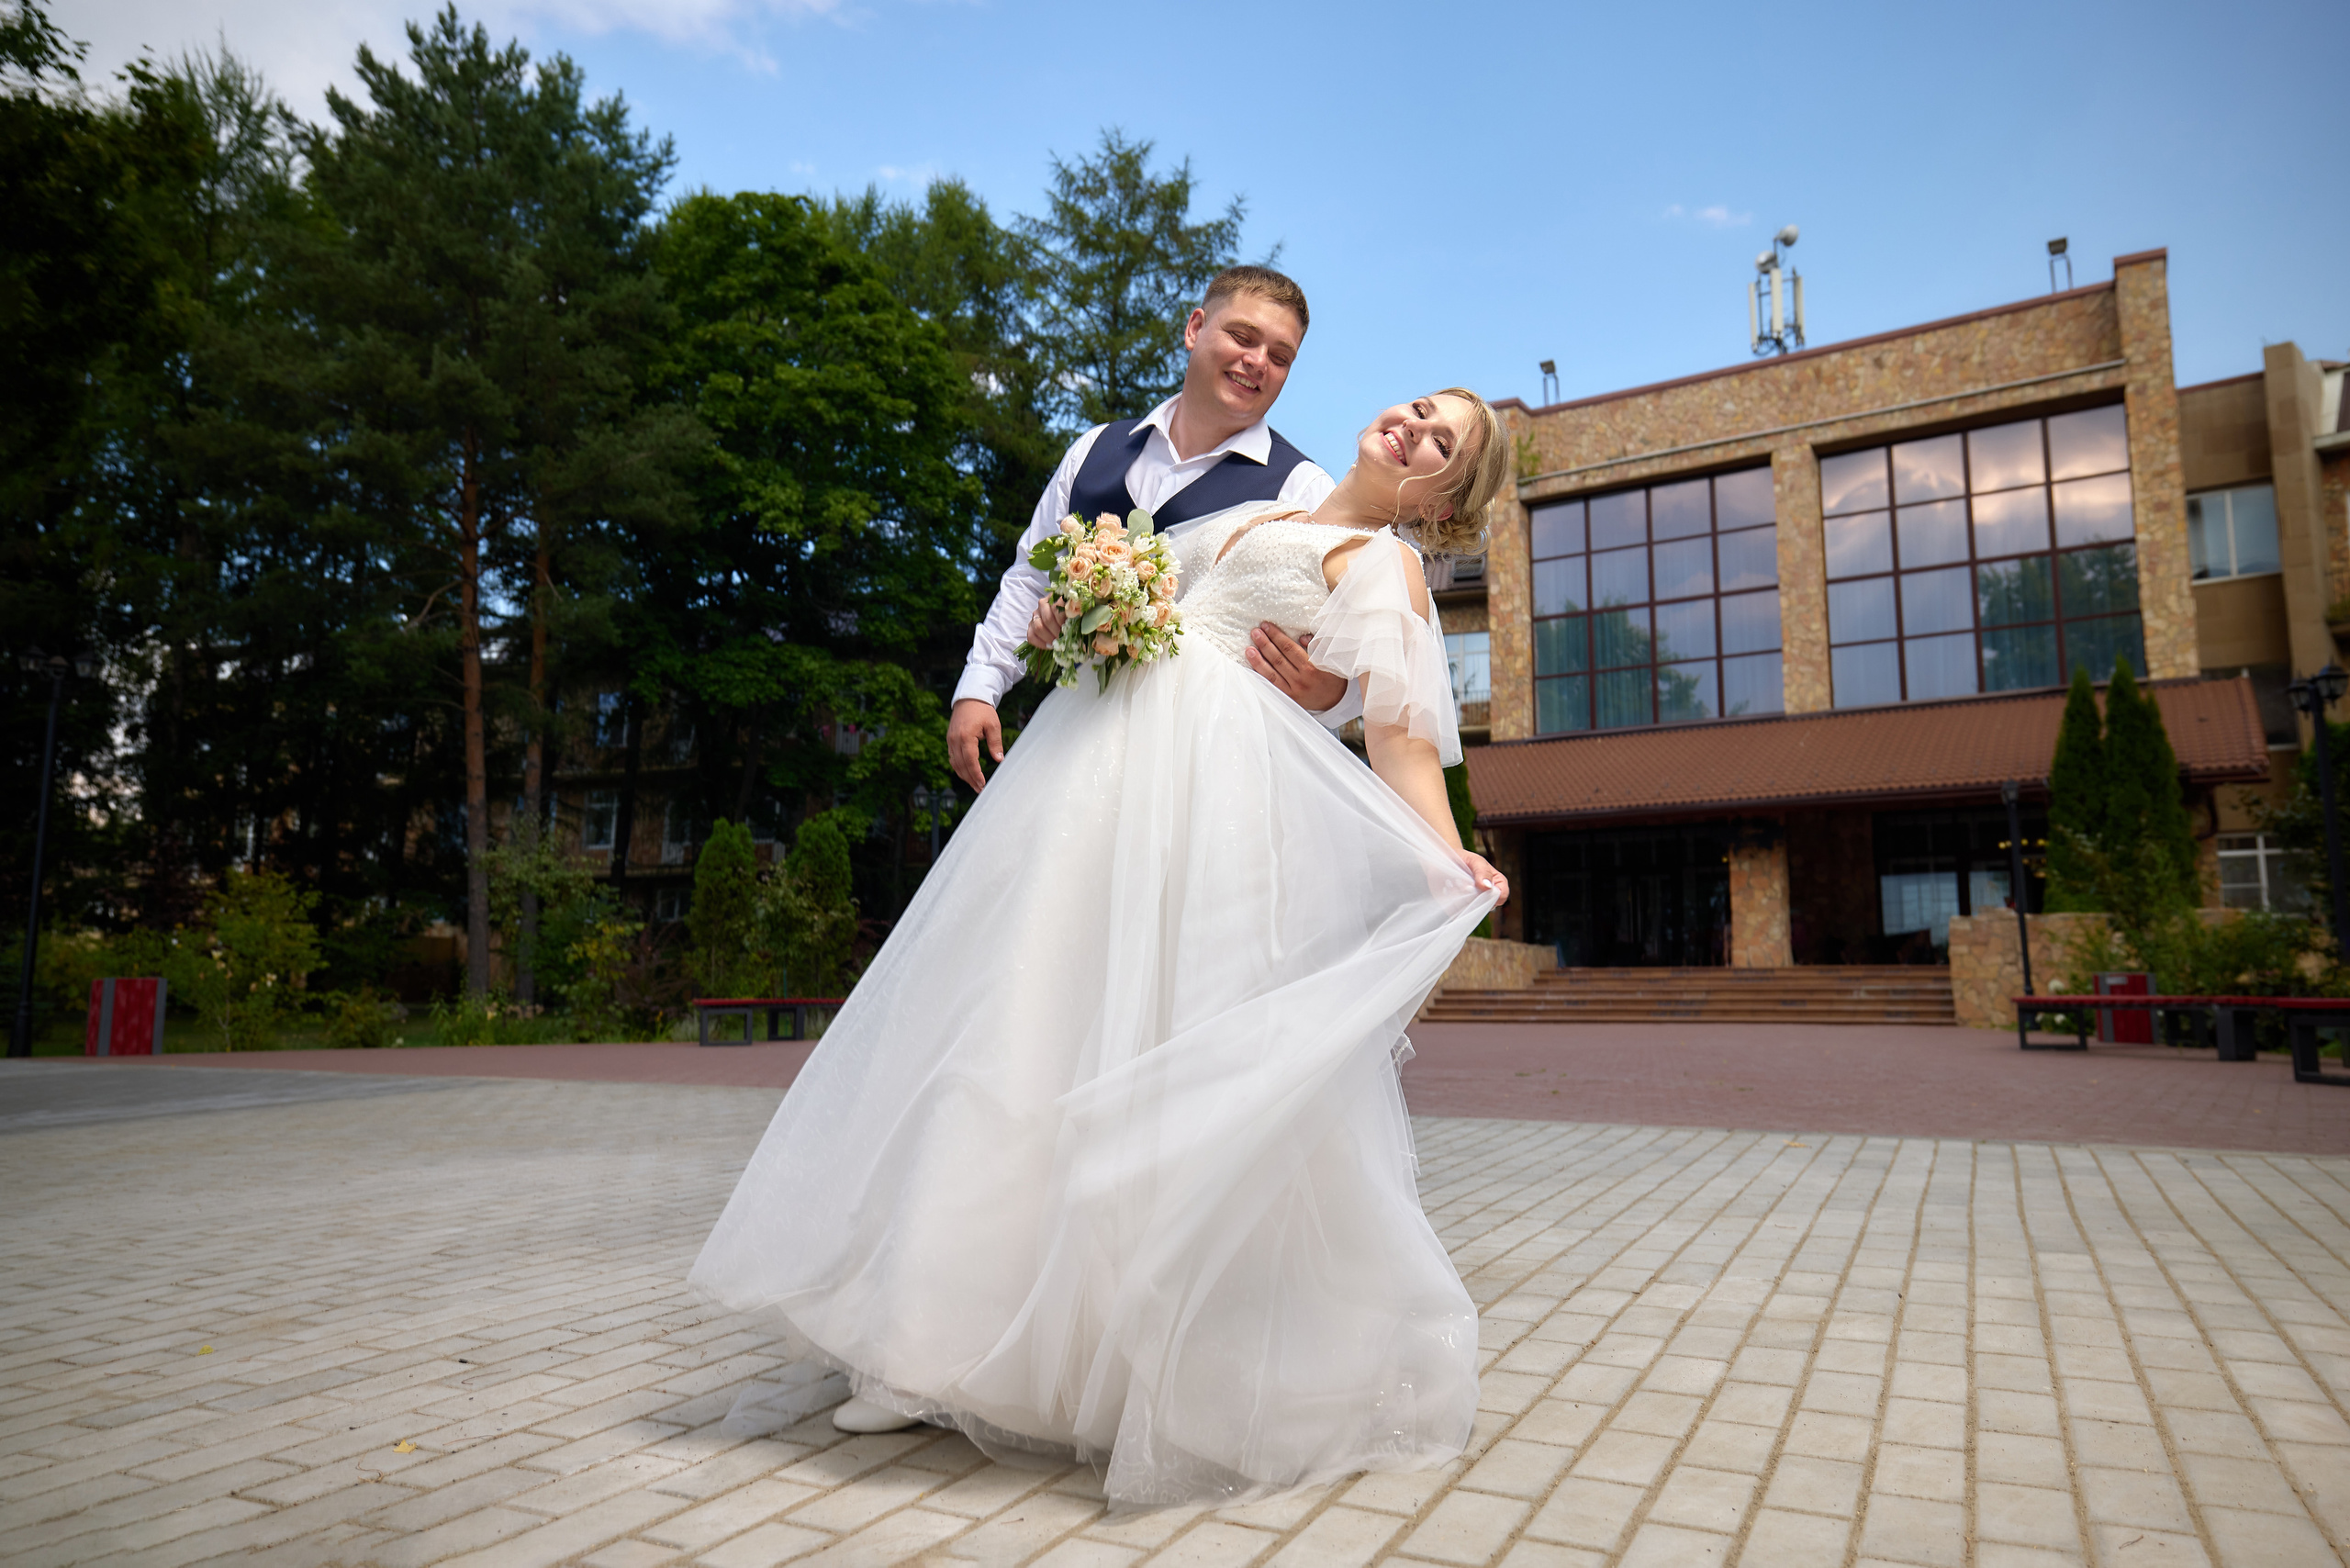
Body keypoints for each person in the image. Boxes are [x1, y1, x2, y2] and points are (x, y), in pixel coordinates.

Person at [691, 387, 1513, 1508]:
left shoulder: (1389, 567)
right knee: (1016, 1025)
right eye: (1418, 409)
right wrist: (1084, 613)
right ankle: (918, 1344)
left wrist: (1446, 854)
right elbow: (1154, 602)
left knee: (1150, 1046)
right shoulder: (1274, 508)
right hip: (1096, 770)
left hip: (1208, 803)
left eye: (1443, 443)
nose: (1413, 430)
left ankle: (1137, 1366)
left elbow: (1401, 732)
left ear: (1447, 493)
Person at [947, 264, 1354, 795]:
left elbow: (1362, 647)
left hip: (1208, 776)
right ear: (1194, 329)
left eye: (1280, 357)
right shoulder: (1094, 452)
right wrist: (980, 686)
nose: (1258, 362)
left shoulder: (1302, 491)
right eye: (1242, 337)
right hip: (1076, 751)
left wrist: (1329, 694)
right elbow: (1030, 579)